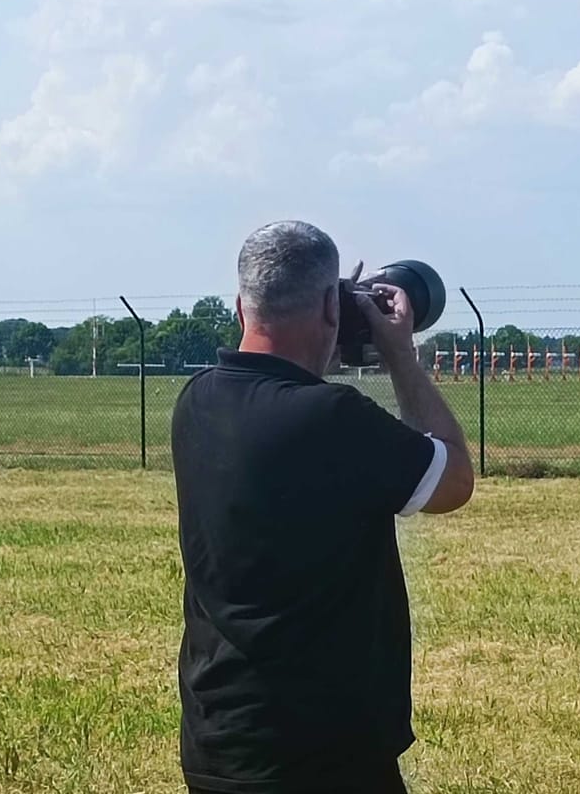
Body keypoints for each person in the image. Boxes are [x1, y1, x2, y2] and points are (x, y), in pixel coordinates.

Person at [171, 221, 476, 793]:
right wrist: (400, 356)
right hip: (324, 752)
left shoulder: (196, 403)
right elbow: (454, 480)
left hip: (219, 739)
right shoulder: (334, 417)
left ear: (241, 307)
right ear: (331, 312)